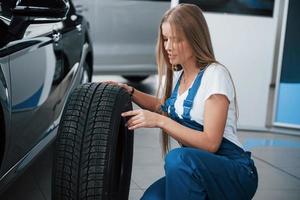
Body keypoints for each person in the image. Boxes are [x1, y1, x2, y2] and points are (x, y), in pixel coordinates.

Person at [116, 3, 258, 200]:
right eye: (165, 39)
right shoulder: (179, 77)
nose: (167, 47)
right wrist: (130, 92)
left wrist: (159, 121)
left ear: (194, 39)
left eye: (176, 40)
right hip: (197, 169)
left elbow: (210, 143)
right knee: (151, 198)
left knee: (177, 159)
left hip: (234, 173)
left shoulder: (215, 75)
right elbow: (163, 107)